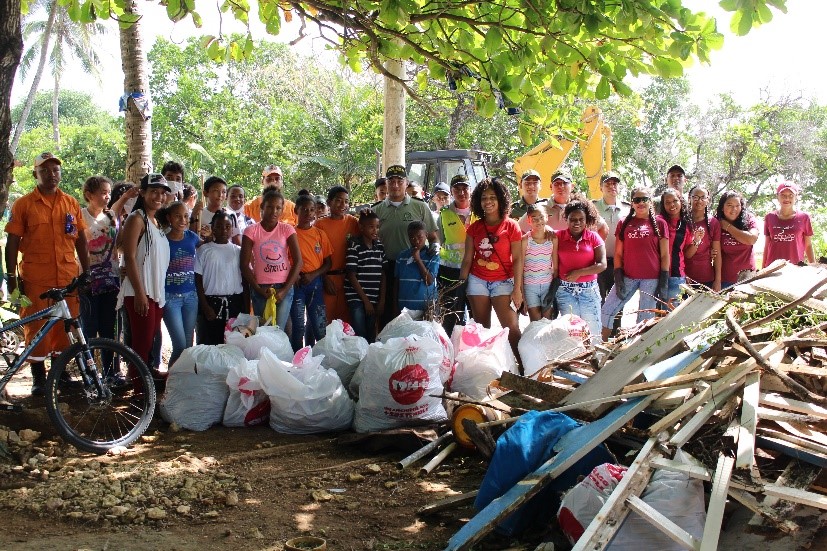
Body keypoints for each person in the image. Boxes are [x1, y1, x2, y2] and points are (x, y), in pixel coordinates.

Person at [5, 152, 90, 396]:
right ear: (36, 174)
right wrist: (11, 278)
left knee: (65, 328)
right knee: (37, 327)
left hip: (67, 278)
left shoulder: (70, 203)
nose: (51, 175)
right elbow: (12, 242)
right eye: (45, 171)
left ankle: (61, 375)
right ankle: (39, 379)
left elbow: (80, 240)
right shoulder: (24, 204)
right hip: (36, 279)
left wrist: (86, 272)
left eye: (55, 170)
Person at [459, 178, 523, 366]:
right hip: (477, 281)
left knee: (511, 328)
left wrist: (517, 289)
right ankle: (485, 369)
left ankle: (524, 368)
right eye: (484, 198)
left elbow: (518, 259)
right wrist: (460, 286)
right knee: (481, 329)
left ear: (501, 199)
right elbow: (467, 259)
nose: (488, 201)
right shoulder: (474, 228)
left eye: (492, 197)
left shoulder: (511, 226)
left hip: (503, 281)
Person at [117, 174, 171, 380]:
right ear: (142, 193)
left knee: (148, 342)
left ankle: (144, 381)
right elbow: (129, 256)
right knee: (141, 344)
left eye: (162, 193)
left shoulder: (155, 221)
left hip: (155, 292)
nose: (159, 196)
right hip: (140, 291)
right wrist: (140, 293)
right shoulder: (136, 218)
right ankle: (139, 388)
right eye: (154, 191)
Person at [600, 187, 669, 341]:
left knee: (644, 319)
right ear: (632, 203)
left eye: (644, 199)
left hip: (651, 279)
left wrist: (664, 280)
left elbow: (665, 255)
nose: (641, 203)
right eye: (637, 200)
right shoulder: (624, 223)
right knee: (606, 310)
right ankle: (600, 345)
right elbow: (618, 254)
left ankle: (637, 350)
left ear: (650, 202)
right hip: (628, 276)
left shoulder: (660, 223)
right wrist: (618, 276)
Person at [374, 165, 438, 327]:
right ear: (386, 183)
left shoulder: (420, 206)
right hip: (386, 267)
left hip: (415, 267)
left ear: (406, 183)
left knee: (416, 315)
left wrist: (435, 247)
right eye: (391, 181)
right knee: (388, 312)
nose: (395, 185)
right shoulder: (376, 210)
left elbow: (433, 237)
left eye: (399, 181)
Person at [80, 176, 124, 383]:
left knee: (109, 328)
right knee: (89, 328)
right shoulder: (80, 215)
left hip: (111, 280)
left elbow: (120, 245)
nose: (107, 196)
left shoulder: (112, 216)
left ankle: (111, 373)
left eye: (109, 192)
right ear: (89, 195)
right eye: (103, 192)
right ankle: (89, 375)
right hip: (88, 282)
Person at [241, 189, 303, 330]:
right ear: (262, 207)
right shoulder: (251, 231)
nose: (274, 211)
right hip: (260, 288)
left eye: (278, 208)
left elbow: (298, 262)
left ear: (282, 210)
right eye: (269, 207)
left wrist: (285, 290)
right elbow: (244, 264)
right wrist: (258, 289)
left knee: (278, 331)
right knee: (263, 331)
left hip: (284, 286)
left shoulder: (287, 229)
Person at [552, 200, 606, 343]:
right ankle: (577, 357)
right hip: (565, 291)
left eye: (581, 219)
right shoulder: (558, 236)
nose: (577, 223)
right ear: (566, 219)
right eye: (573, 219)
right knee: (572, 332)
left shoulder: (593, 237)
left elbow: (602, 265)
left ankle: (595, 356)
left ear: (586, 219)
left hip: (589, 291)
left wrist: (579, 273)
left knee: (593, 331)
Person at [196, 211, 249, 345]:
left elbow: (245, 281)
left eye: (227, 226)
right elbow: (198, 281)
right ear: (213, 228)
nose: (223, 230)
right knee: (210, 345)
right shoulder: (203, 250)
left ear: (232, 229)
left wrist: (246, 309)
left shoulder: (238, 251)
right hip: (211, 304)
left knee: (233, 345)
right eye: (219, 226)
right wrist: (205, 306)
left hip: (235, 304)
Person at [158, 201, 200, 367]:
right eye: (178, 216)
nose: (183, 220)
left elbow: (205, 248)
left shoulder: (192, 237)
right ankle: (171, 377)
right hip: (170, 298)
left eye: (185, 216)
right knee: (180, 344)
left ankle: (183, 378)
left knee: (188, 345)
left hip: (191, 297)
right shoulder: (162, 240)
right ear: (169, 218)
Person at [290, 194, 333, 351]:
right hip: (297, 285)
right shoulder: (290, 234)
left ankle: (321, 360)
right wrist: (296, 276)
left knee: (319, 326)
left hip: (315, 284)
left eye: (312, 209)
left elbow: (328, 263)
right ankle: (297, 360)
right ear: (296, 210)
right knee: (298, 327)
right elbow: (286, 260)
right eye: (304, 209)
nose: (308, 213)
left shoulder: (320, 234)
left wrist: (313, 275)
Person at [315, 186, 360, 325]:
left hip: (348, 280)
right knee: (326, 323)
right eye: (339, 200)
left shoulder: (353, 222)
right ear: (329, 202)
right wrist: (324, 278)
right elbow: (316, 256)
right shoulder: (320, 224)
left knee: (346, 324)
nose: (343, 205)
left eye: (346, 201)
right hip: (328, 279)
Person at [436, 174, 474, 336]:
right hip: (449, 274)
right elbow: (438, 241)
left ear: (470, 190)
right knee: (450, 317)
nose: (461, 192)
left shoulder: (480, 212)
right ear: (451, 192)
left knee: (476, 317)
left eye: (464, 188)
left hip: (476, 272)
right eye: (457, 189)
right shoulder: (444, 214)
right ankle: (450, 348)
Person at [345, 209, 386, 342]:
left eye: (377, 227)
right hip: (356, 297)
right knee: (360, 334)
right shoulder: (355, 245)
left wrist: (381, 300)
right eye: (371, 227)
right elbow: (351, 275)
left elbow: (383, 274)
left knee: (371, 334)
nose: (375, 230)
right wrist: (366, 301)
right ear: (361, 227)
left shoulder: (379, 246)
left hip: (373, 297)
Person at [657, 189, 700, 308]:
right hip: (655, 276)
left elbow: (687, 254)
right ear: (663, 205)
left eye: (675, 201)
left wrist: (697, 240)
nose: (672, 205)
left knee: (672, 313)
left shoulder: (686, 225)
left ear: (681, 201)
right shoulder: (658, 221)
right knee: (654, 314)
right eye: (667, 202)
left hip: (676, 277)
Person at [592, 172, 630, 301]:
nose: (611, 186)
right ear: (600, 187)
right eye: (607, 184)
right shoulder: (592, 207)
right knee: (598, 301)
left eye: (614, 183)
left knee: (618, 301)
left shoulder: (628, 209)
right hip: (597, 262)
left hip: (620, 264)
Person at [763, 181, 815, 266]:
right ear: (777, 197)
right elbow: (767, 245)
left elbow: (808, 245)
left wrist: (813, 267)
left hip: (796, 267)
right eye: (783, 195)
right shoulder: (769, 217)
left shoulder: (804, 217)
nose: (787, 198)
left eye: (791, 195)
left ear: (796, 197)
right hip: (773, 268)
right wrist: (763, 268)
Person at [717, 191, 759, 288]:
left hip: (747, 277)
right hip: (725, 279)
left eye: (737, 205)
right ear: (722, 207)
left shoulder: (749, 219)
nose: (734, 209)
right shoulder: (716, 222)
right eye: (730, 205)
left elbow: (751, 239)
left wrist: (727, 226)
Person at [521, 204, 555, 321]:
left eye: (541, 217)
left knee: (547, 321)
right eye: (534, 219)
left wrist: (554, 289)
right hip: (530, 286)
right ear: (528, 220)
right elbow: (520, 268)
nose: (538, 221)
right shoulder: (525, 240)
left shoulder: (552, 238)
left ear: (546, 218)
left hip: (547, 285)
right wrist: (522, 294)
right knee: (535, 322)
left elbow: (556, 266)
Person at [396, 221, 440, 312]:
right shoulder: (402, 256)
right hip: (404, 308)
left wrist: (418, 259)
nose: (416, 241)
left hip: (426, 309)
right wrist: (394, 308)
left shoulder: (433, 256)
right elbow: (396, 283)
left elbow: (429, 281)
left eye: (420, 237)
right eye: (412, 238)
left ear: (426, 235)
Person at [685, 185, 722, 291]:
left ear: (708, 200)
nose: (699, 201)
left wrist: (718, 280)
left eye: (703, 197)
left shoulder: (713, 222)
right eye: (695, 197)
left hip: (706, 278)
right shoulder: (683, 220)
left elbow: (717, 253)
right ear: (689, 199)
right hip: (685, 278)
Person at [190, 175, 227, 240]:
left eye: (223, 192)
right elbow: (192, 237)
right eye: (216, 190)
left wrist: (210, 235)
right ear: (205, 193)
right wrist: (194, 215)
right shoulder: (199, 214)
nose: (220, 195)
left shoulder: (229, 215)